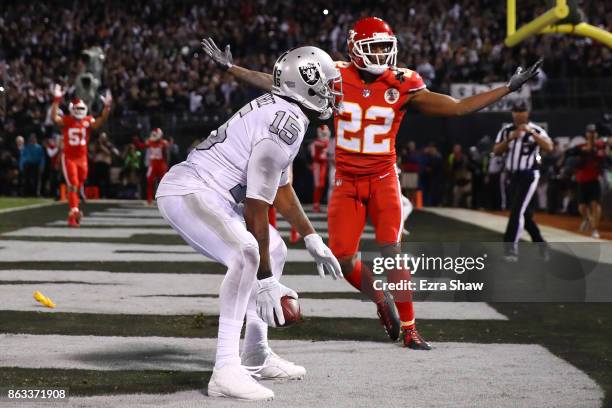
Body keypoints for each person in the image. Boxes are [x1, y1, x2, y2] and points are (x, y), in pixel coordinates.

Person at [203, 16, 541, 349]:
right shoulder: (334, 73)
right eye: (373, 47)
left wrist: (506, 88)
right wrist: (234, 69)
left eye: (384, 47)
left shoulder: (403, 82)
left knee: (392, 252)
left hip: (382, 178)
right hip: (347, 181)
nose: (380, 55)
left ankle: (410, 328)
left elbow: (457, 108)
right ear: (355, 48)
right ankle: (380, 298)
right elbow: (281, 82)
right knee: (342, 256)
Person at [156, 46, 342, 401]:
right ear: (306, 84)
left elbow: (281, 189)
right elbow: (258, 208)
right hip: (189, 189)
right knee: (247, 254)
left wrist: (311, 236)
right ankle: (225, 370)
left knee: (274, 246)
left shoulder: (288, 114)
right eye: (329, 84)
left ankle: (254, 354)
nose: (334, 93)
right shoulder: (285, 123)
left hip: (215, 194)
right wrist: (268, 283)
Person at [493, 100, 553, 261]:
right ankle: (540, 244)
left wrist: (531, 133)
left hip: (529, 174)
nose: (519, 114)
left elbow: (549, 147)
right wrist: (510, 139)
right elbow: (496, 151)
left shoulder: (536, 130)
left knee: (517, 211)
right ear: (512, 113)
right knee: (523, 214)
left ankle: (510, 248)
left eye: (522, 110)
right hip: (512, 176)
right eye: (516, 110)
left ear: (527, 112)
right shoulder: (506, 131)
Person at [50, 85, 112, 226]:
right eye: (76, 109)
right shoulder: (67, 120)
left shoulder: (88, 120)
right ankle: (74, 210)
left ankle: (73, 214)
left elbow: (100, 122)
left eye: (81, 109)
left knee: (79, 184)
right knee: (72, 185)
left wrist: (106, 108)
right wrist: (56, 100)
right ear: (72, 109)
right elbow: (54, 117)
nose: (78, 111)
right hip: (70, 158)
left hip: (82, 159)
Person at [572, 124, 606, 238]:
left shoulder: (600, 145)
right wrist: (583, 151)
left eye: (593, 132)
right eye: (589, 132)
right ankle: (587, 219)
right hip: (582, 180)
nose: (591, 134)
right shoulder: (581, 146)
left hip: (594, 180)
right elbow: (572, 153)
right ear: (586, 134)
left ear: (596, 134)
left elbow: (601, 154)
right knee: (581, 207)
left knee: (595, 204)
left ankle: (594, 228)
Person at [145, 128, 169, 205]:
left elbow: (166, 154)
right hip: (153, 164)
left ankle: (165, 200)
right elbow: (142, 146)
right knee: (149, 181)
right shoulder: (150, 142)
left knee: (164, 182)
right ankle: (149, 199)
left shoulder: (163, 143)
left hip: (161, 164)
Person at [309, 124, 330, 212]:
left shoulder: (327, 142)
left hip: (324, 165)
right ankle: (315, 205)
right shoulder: (316, 142)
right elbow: (314, 155)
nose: (324, 134)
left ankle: (317, 204)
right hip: (318, 165)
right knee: (318, 185)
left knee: (322, 185)